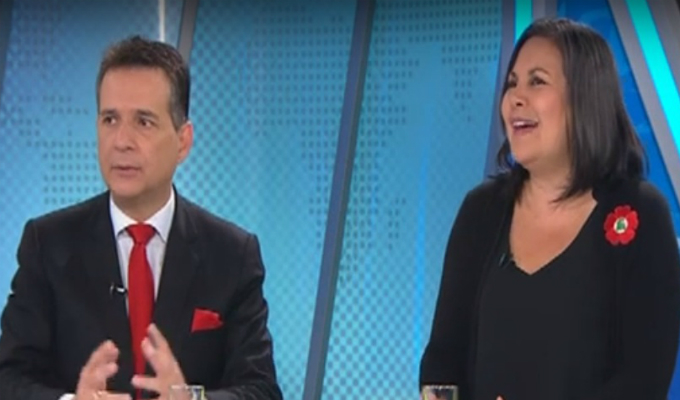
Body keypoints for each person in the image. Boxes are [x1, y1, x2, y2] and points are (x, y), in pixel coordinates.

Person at [0, 36, 282, 400]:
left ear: (183, 141)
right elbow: (8, 378)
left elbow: (261, 390)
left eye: (144, 122)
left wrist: (191, 398)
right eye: (110, 119)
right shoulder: (47, 244)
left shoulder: (232, 254)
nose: (121, 141)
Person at [420, 17, 680, 400]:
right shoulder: (480, 210)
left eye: (537, 81)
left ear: (585, 97)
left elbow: (643, 380)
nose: (515, 98)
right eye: (512, 83)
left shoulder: (641, 214)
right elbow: (442, 361)